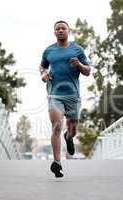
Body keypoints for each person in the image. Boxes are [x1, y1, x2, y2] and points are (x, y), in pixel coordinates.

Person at [39, 20, 91, 178]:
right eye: (57, 29)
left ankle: (69, 137)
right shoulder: (49, 51)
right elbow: (42, 66)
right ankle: (57, 163)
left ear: (68, 31)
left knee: (73, 127)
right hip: (55, 94)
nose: (60, 31)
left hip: (73, 96)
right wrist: (43, 73)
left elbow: (88, 71)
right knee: (56, 125)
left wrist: (79, 65)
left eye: (63, 28)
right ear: (54, 32)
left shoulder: (77, 49)